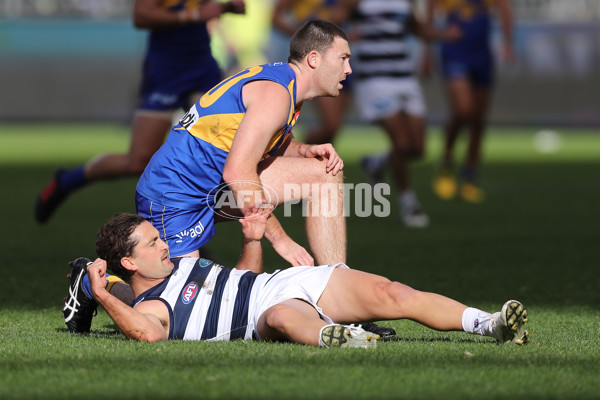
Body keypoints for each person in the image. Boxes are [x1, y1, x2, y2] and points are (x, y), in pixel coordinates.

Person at [67, 211, 530, 347]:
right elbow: (145, 334)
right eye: (151, 243)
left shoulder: (181, 264)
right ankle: (343, 340)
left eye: (158, 236)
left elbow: (239, 279)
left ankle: (488, 324)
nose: (163, 244)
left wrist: (252, 239)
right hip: (264, 316)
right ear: (128, 263)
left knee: (393, 293)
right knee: (286, 319)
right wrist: (100, 292)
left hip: (281, 281)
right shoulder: (151, 309)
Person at [133, 20, 350, 267]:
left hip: (213, 189)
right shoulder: (276, 94)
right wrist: (281, 240)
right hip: (174, 197)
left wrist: (302, 149)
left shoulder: (284, 82)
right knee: (179, 300)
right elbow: (238, 172)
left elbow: (256, 137)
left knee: (325, 172)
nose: (349, 69)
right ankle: (94, 282)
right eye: (343, 58)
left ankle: (335, 278)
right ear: (314, 59)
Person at [35, 0, 246, 224]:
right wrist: (195, 15)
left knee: (226, 145)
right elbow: (142, 16)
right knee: (138, 161)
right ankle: (66, 181)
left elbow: (213, 8)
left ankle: (190, 229)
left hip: (203, 67)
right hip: (166, 71)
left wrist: (226, 7)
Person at [335, 0, 461, 228]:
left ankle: (377, 161)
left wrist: (444, 35)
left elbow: (417, 28)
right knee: (401, 143)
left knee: (418, 148)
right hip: (374, 79)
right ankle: (408, 203)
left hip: (404, 77)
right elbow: (334, 21)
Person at [424, 0, 514, 203]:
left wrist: (508, 43)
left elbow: (505, 9)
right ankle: (446, 159)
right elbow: (428, 19)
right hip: (454, 51)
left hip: (482, 54)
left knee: (478, 119)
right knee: (464, 110)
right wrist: (426, 55)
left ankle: (470, 175)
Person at [271, 0, 352, 145]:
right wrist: (301, 36)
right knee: (332, 125)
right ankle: (301, 152)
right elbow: (275, 18)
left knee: (335, 127)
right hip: (321, 58)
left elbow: (345, 13)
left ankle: (320, 162)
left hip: (341, 55)